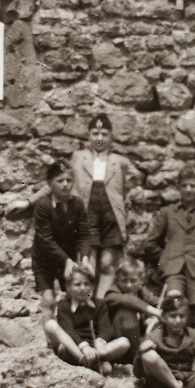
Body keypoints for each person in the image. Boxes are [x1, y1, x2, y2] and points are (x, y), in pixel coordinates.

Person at [137, 163, 195, 340]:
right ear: (178, 187)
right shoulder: (168, 212)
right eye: (185, 185)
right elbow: (150, 244)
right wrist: (166, 259)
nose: (189, 189)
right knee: (173, 306)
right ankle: (171, 349)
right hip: (173, 269)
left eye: (193, 186)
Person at [72, 113, 138, 299]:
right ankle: (87, 305)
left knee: (108, 263)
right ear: (88, 135)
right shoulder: (78, 158)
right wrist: (30, 201)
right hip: (88, 213)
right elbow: (58, 183)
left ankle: (100, 305)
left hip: (111, 215)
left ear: (111, 137)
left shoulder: (120, 162)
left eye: (104, 134)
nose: (99, 138)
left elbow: (127, 193)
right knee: (88, 262)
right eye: (95, 133)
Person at [33, 159, 92, 315]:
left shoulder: (78, 204)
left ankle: (71, 336)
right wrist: (65, 260)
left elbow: (85, 234)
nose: (65, 184)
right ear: (50, 183)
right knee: (48, 300)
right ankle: (51, 339)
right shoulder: (43, 206)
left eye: (69, 180)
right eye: (60, 181)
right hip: (44, 260)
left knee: (74, 298)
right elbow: (46, 240)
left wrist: (85, 257)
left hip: (69, 259)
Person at [49, 265, 130, 374]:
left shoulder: (99, 304)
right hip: (74, 347)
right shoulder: (64, 305)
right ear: (68, 287)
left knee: (124, 342)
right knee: (52, 327)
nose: (83, 288)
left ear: (92, 286)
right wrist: (84, 346)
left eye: (87, 284)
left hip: (94, 348)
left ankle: (92, 362)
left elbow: (106, 327)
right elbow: (68, 330)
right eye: (77, 284)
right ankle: (85, 361)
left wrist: (101, 341)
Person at [99, 257, 164, 368]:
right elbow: (128, 301)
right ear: (117, 280)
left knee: (161, 322)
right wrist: (152, 311)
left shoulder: (142, 292)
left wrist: (157, 316)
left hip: (140, 343)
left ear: (141, 281)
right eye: (124, 281)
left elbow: (160, 304)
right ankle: (137, 360)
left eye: (133, 281)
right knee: (126, 312)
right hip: (119, 348)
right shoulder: (112, 294)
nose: (129, 285)